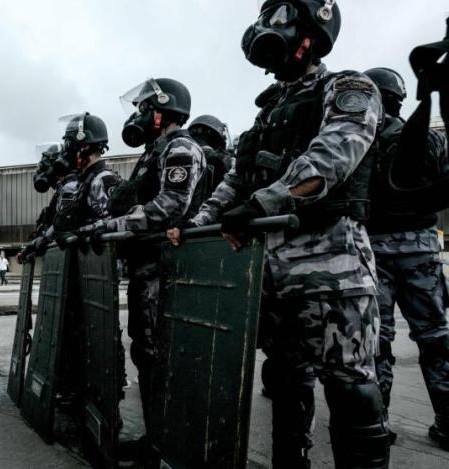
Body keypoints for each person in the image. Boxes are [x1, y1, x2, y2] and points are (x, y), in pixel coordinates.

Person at [168, 2, 389, 467]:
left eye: (282, 17)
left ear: (311, 34)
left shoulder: (348, 87)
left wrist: (264, 202)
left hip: (333, 267)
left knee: (350, 385)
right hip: (270, 271)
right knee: (286, 379)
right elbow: (236, 178)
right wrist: (198, 223)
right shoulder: (268, 112)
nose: (268, 28)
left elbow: (335, 155)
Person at [81, 78, 205, 461]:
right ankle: (155, 440)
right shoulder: (155, 152)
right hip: (147, 268)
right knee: (146, 354)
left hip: (169, 271)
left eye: (145, 109)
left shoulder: (181, 147)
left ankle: (168, 446)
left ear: (162, 111)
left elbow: (170, 206)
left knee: (163, 359)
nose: (139, 116)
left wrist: (111, 226)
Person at [364, 66, 449, 450]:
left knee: (377, 342)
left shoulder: (362, 140)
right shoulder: (429, 137)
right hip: (422, 249)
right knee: (435, 338)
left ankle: (375, 423)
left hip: (374, 250)